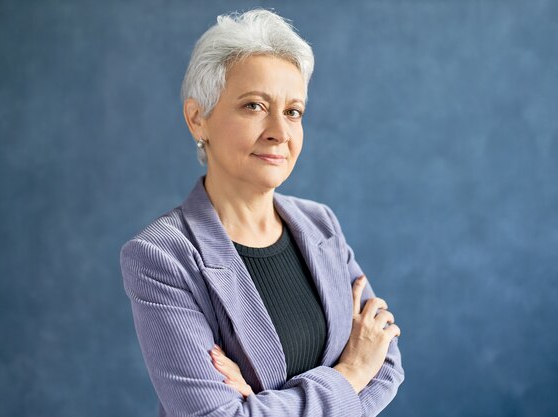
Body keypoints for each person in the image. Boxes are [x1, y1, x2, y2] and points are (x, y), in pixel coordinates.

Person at [120, 8, 404, 417]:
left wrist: (259, 401)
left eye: (293, 112)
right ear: (198, 118)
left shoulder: (320, 223)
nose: (279, 131)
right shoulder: (161, 257)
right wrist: (350, 374)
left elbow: (387, 364)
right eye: (254, 106)